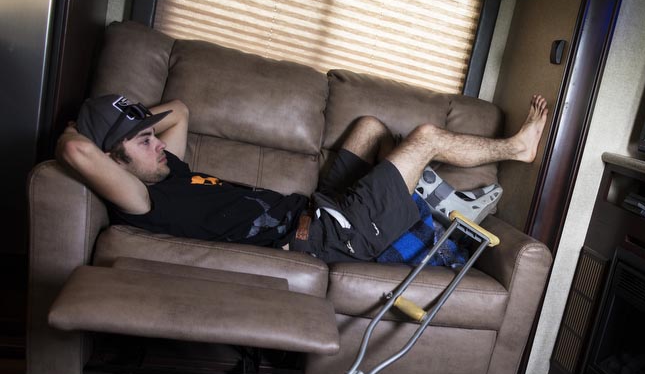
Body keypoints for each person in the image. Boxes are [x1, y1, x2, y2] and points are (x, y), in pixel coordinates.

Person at [56, 93, 548, 264]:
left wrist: (132, 125)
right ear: (112, 159)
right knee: (424, 137)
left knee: (370, 128)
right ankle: (517, 149)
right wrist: (81, 130)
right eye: (144, 141)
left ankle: (420, 200)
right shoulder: (141, 199)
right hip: (332, 236)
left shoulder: (167, 171)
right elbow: (76, 150)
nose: (158, 142)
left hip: (318, 205)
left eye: (151, 134)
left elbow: (180, 110)